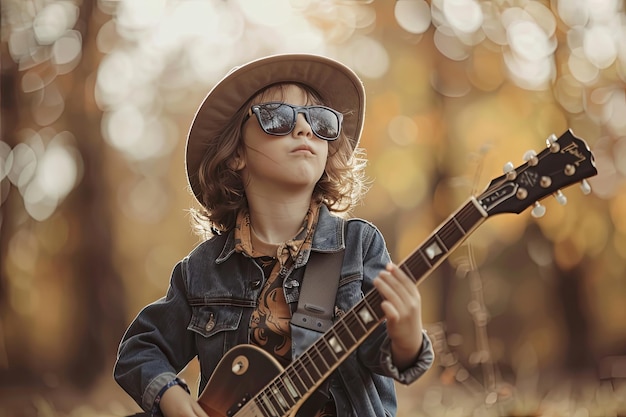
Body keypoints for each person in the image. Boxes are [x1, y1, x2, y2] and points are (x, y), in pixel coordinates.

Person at [114, 53, 434, 417]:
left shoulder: (358, 248)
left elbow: (381, 354)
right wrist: (171, 397)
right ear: (235, 154)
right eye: (278, 118)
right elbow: (140, 348)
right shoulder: (202, 270)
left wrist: (406, 340)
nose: (304, 130)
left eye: (320, 121)